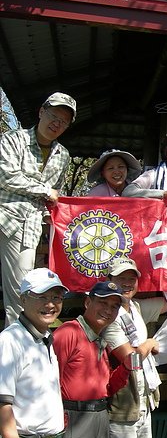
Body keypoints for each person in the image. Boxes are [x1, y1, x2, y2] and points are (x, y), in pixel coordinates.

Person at [0, 92, 75, 327]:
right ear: (42, 112)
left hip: (29, 228)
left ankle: (17, 347)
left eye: (64, 122)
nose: (57, 124)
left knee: (20, 291)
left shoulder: (62, 155)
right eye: (54, 116)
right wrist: (44, 190)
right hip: (5, 216)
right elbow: (5, 176)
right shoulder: (13, 139)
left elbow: (55, 195)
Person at [53, 281, 131, 438]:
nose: (108, 310)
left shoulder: (100, 338)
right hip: (74, 416)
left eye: (115, 306)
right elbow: (50, 381)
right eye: (103, 302)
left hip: (100, 415)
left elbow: (106, 388)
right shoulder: (68, 332)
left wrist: (126, 367)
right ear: (88, 302)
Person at [103, 257, 167, 438]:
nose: (126, 284)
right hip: (122, 405)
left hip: (143, 401)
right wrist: (149, 344)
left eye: (131, 279)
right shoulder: (107, 314)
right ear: (110, 281)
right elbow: (131, 359)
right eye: (120, 278)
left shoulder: (136, 307)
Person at [0, 268, 68, 438]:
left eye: (56, 297)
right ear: (23, 299)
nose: (50, 304)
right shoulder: (10, 340)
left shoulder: (45, 337)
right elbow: (2, 405)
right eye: (42, 297)